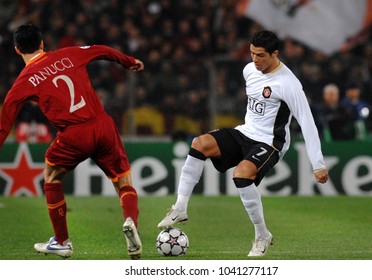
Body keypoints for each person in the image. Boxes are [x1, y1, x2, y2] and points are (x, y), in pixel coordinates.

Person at [157, 30, 328, 257]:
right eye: (252, 54)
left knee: (241, 174)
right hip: (245, 132)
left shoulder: (289, 84)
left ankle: (262, 235)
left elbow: (307, 121)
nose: (254, 60)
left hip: (270, 142)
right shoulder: (249, 70)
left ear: (274, 54)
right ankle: (180, 207)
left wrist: (318, 163)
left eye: (260, 55)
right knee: (200, 143)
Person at [0, 23, 144, 259]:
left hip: (74, 134)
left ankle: (62, 241)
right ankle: (130, 222)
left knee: (52, 176)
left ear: (17, 50)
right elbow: (101, 49)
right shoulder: (69, 53)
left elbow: (4, 125)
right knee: (123, 181)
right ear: (42, 43)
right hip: (103, 124)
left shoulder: (23, 81)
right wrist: (128, 61)